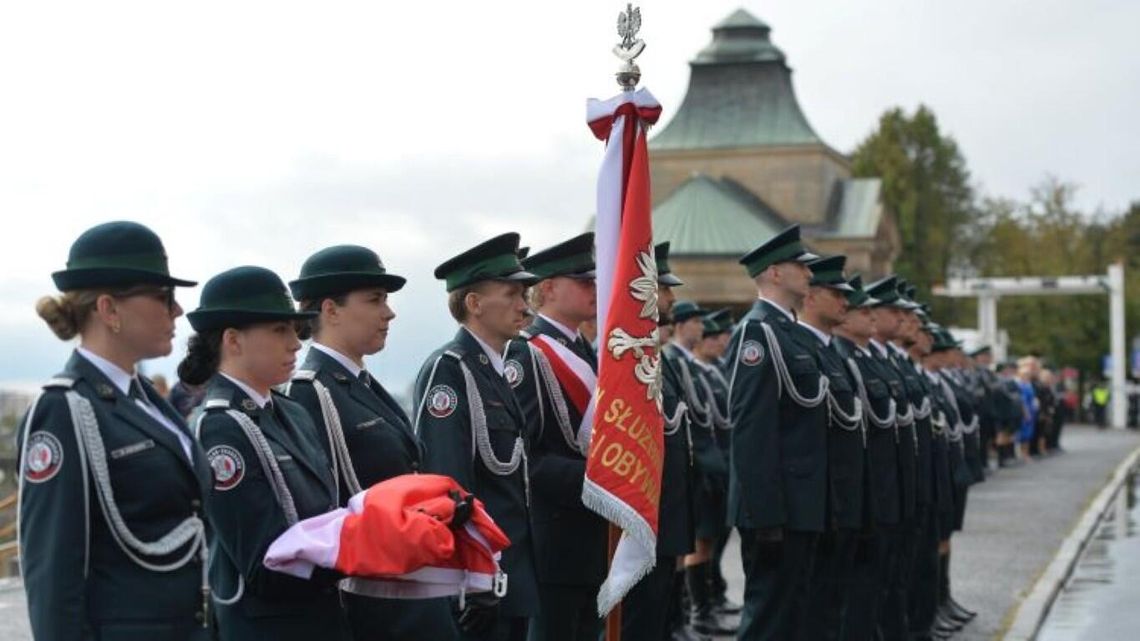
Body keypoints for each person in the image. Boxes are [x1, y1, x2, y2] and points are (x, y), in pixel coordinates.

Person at [18, 221, 212, 640]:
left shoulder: (145, 398)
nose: (177, 310)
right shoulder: (65, 408)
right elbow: (53, 575)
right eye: (163, 296)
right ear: (109, 310)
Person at [286, 245, 458, 640]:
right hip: (374, 600)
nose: (389, 312)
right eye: (375, 299)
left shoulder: (361, 385)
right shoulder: (312, 392)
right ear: (331, 310)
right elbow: (325, 509)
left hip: (409, 588)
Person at [181, 266, 352, 640]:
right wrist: (365, 547)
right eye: (279, 330)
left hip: (322, 620)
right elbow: (265, 563)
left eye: (293, 329)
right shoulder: (220, 426)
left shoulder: (291, 411)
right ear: (233, 340)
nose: (295, 343)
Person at [413, 233, 540, 641]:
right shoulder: (451, 370)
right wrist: (470, 574)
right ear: (474, 303)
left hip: (512, 571)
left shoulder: (493, 370)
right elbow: (446, 482)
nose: (525, 306)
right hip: (481, 576)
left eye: (525, 294)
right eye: (512, 294)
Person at [500, 233, 607, 641]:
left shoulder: (586, 351)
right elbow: (524, 456)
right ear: (547, 289)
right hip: (555, 537)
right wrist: (597, 477)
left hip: (592, 532)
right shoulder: (527, 353)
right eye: (583, 281)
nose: (594, 289)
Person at [725, 225, 827, 641]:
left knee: (793, 616)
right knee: (769, 618)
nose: (809, 274)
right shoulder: (757, 333)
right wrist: (764, 513)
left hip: (800, 502)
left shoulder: (791, 333)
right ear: (774, 273)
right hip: (777, 505)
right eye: (800, 266)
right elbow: (751, 428)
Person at [620, 241, 698, 641]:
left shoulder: (656, 356)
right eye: (663, 288)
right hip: (640, 527)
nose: (671, 299)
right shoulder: (625, 355)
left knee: (656, 623)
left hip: (664, 522)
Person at [794, 256, 864, 641]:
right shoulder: (793, 346)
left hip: (837, 498)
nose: (845, 303)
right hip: (809, 500)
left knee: (831, 601)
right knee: (805, 606)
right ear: (811, 297)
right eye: (836, 294)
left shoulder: (829, 351)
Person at [833, 275, 899, 641]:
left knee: (877, 579)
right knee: (851, 585)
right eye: (864, 311)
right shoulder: (844, 357)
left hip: (879, 486)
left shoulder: (865, 359)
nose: (871, 317)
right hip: (853, 489)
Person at [664, 300, 734, 636]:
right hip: (694, 464)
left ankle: (697, 611)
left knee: (701, 541)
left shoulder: (693, 366)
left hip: (709, 461)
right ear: (679, 325)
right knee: (691, 543)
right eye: (695, 322)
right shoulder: (675, 361)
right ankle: (694, 612)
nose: (702, 328)